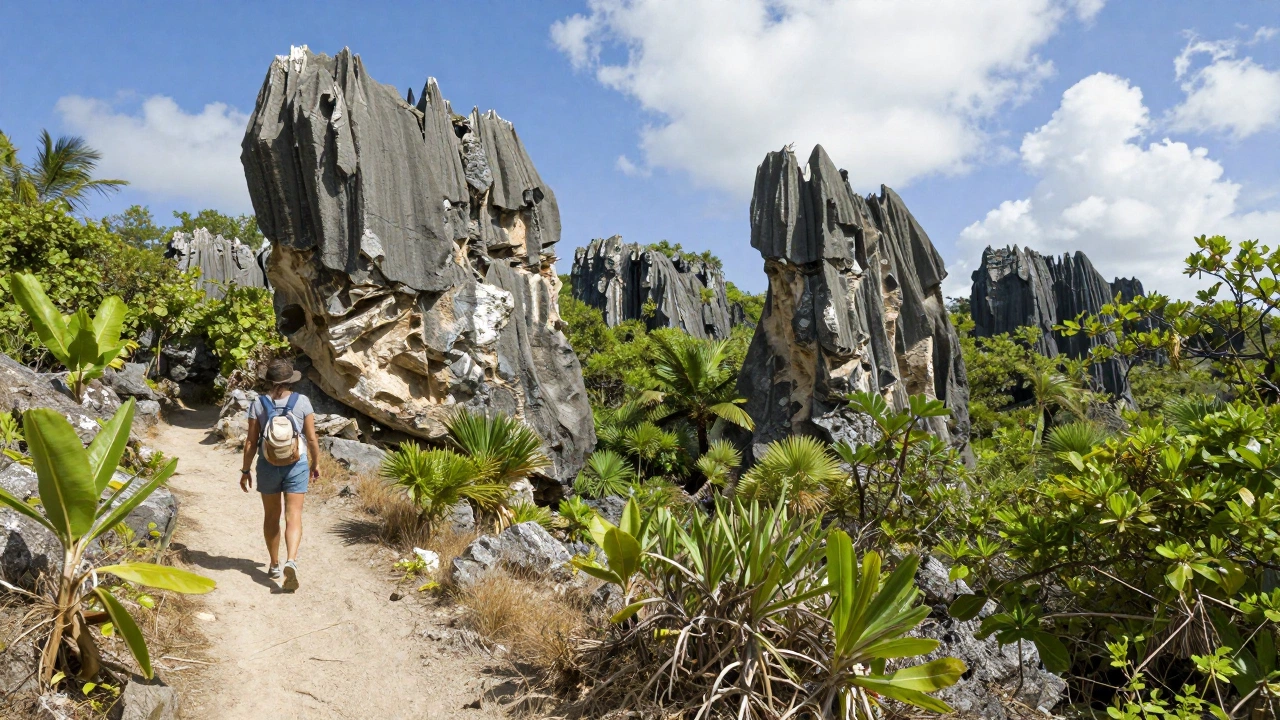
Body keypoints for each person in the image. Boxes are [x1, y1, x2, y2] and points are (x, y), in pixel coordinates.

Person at [239, 358, 320, 592]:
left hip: (268, 464)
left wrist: (246, 470)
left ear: (269, 381)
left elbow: (251, 442)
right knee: (293, 515)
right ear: (290, 380)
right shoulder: (302, 401)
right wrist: (315, 464)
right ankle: (291, 560)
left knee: (271, 516)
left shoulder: (258, 403)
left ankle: (274, 564)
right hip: (297, 463)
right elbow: (312, 438)